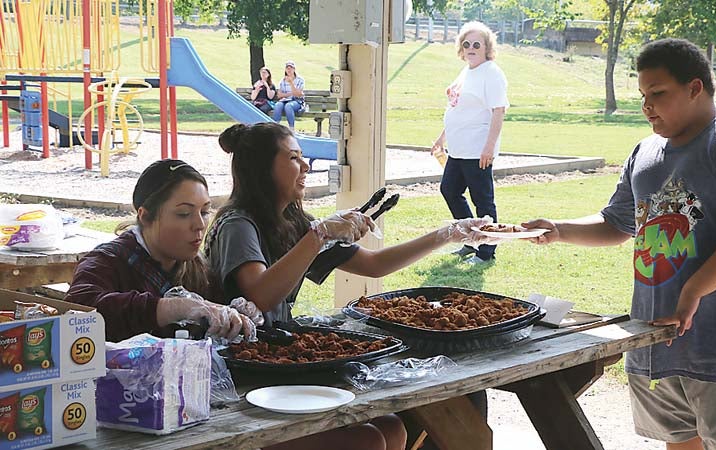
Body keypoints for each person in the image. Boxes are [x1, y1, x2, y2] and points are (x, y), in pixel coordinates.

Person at [523, 38, 716, 450]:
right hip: (653, 341)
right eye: (643, 95)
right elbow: (618, 223)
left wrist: (692, 289)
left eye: (658, 94)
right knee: (677, 444)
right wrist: (558, 228)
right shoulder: (645, 152)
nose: (647, 106)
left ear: (695, 88)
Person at [204, 122, 492, 450]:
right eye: (294, 157)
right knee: (369, 438)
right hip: (242, 380)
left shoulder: (293, 222)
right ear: (262, 167)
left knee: (393, 428)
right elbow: (259, 294)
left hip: (280, 365)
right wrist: (318, 236)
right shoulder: (238, 224)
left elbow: (374, 264)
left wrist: (448, 233)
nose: (306, 165)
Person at [64, 159, 261, 343]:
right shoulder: (107, 261)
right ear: (145, 216)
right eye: (184, 214)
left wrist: (233, 316)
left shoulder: (197, 267)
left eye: (204, 212)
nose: (199, 225)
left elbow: (213, 312)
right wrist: (176, 307)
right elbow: (78, 312)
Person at [431, 21, 509, 265]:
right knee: (450, 190)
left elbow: (498, 111)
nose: (471, 48)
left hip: (477, 151)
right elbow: (457, 108)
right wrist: (441, 138)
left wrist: (489, 147)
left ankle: (486, 252)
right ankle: (470, 239)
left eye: (477, 44)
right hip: (458, 150)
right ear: (461, 48)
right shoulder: (467, 71)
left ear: (487, 48)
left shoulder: (491, 72)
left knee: (483, 201)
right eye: (467, 44)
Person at [272, 60, 305, 130]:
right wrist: (291, 93)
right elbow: (279, 95)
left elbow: (298, 95)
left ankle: (291, 129)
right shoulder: (282, 81)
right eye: (287, 68)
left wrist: (291, 83)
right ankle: (275, 127)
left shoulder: (300, 80)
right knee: (277, 105)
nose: (289, 70)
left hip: (296, 101)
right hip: (285, 100)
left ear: (294, 69)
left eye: (291, 68)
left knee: (288, 106)